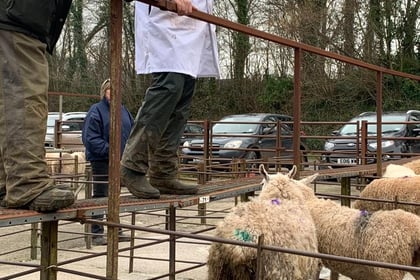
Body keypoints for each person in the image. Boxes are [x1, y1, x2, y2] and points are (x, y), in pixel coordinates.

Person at [120, 0, 220, 199]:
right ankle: (133, 165)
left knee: (182, 96)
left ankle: (163, 171)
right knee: (169, 88)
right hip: (166, 18)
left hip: (194, 24)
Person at [0, 0, 75, 212]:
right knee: (25, 99)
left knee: (6, 102)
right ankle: (27, 184)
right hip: (19, 16)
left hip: (14, 16)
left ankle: (6, 183)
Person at [82, 79, 134, 245]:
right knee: (101, 195)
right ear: (104, 92)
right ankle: (96, 232)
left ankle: (115, 229)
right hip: (102, 160)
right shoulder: (96, 111)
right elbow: (90, 138)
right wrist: (110, 150)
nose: (113, 93)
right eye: (110, 90)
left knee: (115, 195)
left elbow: (131, 133)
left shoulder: (124, 111)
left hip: (119, 160)